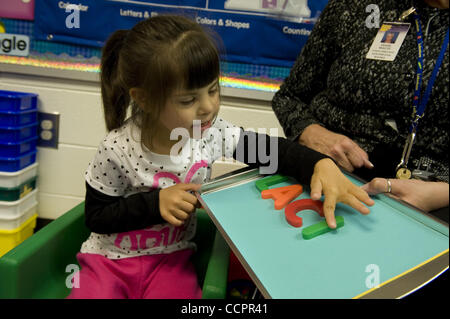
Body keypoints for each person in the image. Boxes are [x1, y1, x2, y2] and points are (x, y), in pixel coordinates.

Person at [67, 15, 374, 299]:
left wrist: (320, 164)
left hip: (171, 261)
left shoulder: (211, 133)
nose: (208, 107)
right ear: (143, 99)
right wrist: (155, 204)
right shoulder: (116, 148)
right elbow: (96, 217)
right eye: (188, 100)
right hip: (108, 261)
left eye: (213, 90)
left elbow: (275, 152)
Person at [272, 0, 449, 221]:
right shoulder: (353, 5)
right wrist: (310, 132)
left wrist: (443, 193)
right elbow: (289, 97)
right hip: (326, 173)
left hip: (432, 198)